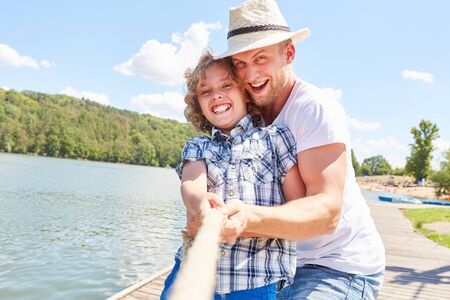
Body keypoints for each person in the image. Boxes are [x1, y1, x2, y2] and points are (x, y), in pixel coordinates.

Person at [187, 0, 386, 299]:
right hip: (280, 265)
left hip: (338, 267)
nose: (251, 74)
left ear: (289, 53)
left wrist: (248, 220)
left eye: (261, 58)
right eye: (240, 64)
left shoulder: (313, 108)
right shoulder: (249, 118)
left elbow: (327, 213)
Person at [160, 51, 305, 300]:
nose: (216, 94)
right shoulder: (198, 147)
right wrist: (200, 203)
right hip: (194, 274)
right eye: (206, 91)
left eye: (227, 85)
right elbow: (191, 185)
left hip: (261, 281)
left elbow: (299, 209)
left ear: (245, 93)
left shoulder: (276, 139)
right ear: (198, 104)